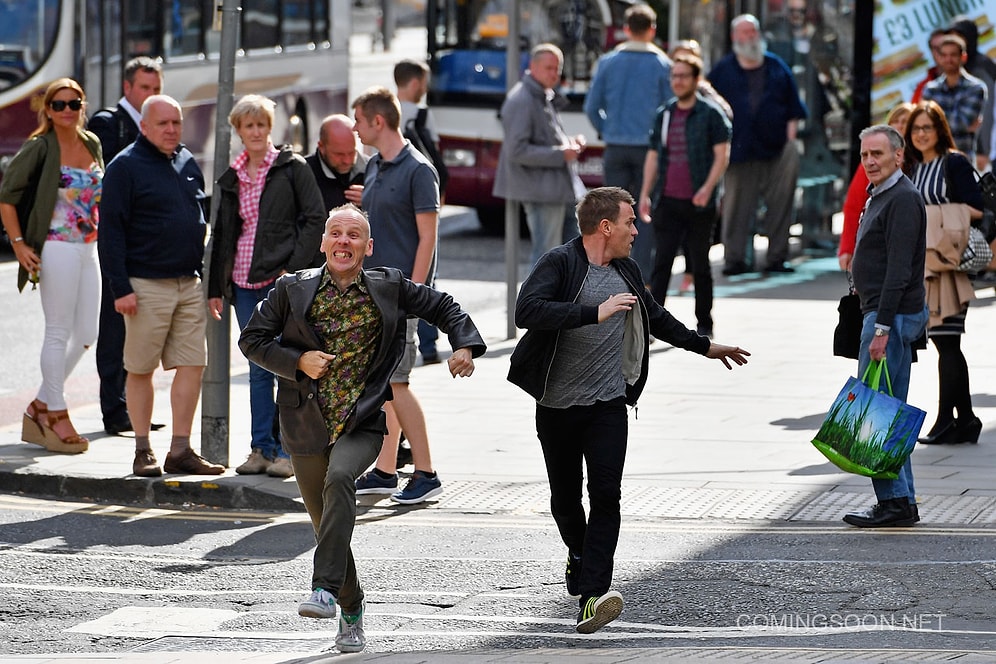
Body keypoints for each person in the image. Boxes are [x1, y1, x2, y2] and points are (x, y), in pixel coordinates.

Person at [238, 204, 486, 653]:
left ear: (367, 247)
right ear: (323, 243)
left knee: (340, 480)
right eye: (336, 233)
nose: (344, 242)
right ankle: (352, 609)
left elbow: (442, 305)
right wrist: (297, 362)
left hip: (363, 421)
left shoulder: (388, 288)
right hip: (305, 423)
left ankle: (323, 590)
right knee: (325, 526)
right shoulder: (291, 290)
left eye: (354, 235)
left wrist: (464, 344)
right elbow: (251, 340)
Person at [508, 186, 750, 633]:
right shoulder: (560, 263)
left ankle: (592, 595)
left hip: (607, 405)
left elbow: (656, 317)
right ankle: (579, 554)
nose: (636, 230)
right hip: (557, 406)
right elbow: (528, 310)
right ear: (605, 227)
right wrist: (592, 313)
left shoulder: (627, 270)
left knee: (606, 495)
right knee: (565, 500)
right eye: (629, 222)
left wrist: (706, 346)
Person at [98, 94, 223, 478]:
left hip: (188, 282)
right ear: (145, 127)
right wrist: (120, 287)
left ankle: (180, 451)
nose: (171, 130)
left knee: (192, 364)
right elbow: (111, 232)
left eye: (177, 123)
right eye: (163, 124)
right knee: (140, 369)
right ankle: (142, 450)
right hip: (144, 284)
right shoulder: (125, 167)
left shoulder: (186, 160)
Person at [207, 94, 327, 479]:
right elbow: (223, 233)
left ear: (270, 128)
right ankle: (261, 448)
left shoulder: (293, 168)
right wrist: (214, 285)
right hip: (242, 281)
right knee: (257, 368)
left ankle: (288, 453)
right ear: (238, 131)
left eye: (261, 124)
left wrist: (292, 271)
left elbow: (314, 219)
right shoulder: (232, 175)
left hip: (281, 284)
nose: (256, 132)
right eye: (248, 126)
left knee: (287, 368)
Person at [349, 87, 444, 504]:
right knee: (385, 385)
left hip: (401, 296)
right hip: (374, 295)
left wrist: (415, 295)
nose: (354, 128)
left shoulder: (419, 170)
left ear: (378, 122)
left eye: (358, 120)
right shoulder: (375, 166)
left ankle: (425, 472)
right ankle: (386, 471)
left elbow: (428, 238)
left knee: (397, 383)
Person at [0, 78, 103, 454]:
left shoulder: (92, 143)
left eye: (73, 104)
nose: (65, 111)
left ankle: (39, 404)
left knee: (88, 332)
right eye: (57, 105)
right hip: (56, 246)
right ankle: (56, 412)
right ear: (47, 110)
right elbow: (7, 198)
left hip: (88, 246)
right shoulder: (38, 148)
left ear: (82, 106)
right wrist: (19, 244)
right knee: (58, 330)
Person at [842, 125, 928, 528]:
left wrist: (882, 329)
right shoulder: (883, 194)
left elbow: (899, 270)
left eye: (877, 153)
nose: (870, 162)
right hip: (879, 314)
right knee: (885, 408)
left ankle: (894, 502)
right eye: (864, 156)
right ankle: (900, 500)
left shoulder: (904, 199)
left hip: (887, 318)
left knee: (878, 414)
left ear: (899, 155)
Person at [87, 57, 164, 436]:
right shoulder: (108, 123)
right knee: (115, 325)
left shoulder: (159, 129)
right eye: (145, 88)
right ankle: (113, 408)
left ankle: (134, 410)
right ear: (128, 88)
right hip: (118, 239)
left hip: (147, 244)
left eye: (156, 88)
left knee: (141, 331)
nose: (151, 94)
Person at [902, 101, 984, 446]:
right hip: (925, 267)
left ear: (940, 130)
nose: (921, 134)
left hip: (949, 266)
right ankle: (965, 418)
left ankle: (945, 421)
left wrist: (931, 214)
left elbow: (977, 208)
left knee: (946, 341)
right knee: (943, 342)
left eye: (927, 128)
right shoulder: (912, 167)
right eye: (916, 129)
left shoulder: (954, 163)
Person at [638, 54, 731, 338]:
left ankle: (704, 323)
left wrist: (707, 188)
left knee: (700, 264)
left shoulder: (710, 113)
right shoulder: (664, 113)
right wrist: (644, 193)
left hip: (699, 202)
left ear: (696, 80)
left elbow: (722, 155)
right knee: (661, 263)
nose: (677, 81)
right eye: (674, 76)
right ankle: (655, 325)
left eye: (683, 76)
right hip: (667, 199)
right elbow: (654, 155)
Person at [708, 14, 807, 276]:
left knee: (781, 208)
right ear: (734, 38)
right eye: (744, 33)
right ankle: (735, 260)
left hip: (777, 150)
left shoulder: (777, 66)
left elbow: (794, 110)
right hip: (738, 152)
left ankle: (777, 258)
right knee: (736, 209)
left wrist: (790, 143)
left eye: (753, 32)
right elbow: (708, 107)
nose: (750, 37)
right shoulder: (722, 70)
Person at [583, 3, 671, 283]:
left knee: (611, 213)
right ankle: (641, 278)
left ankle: (610, 274)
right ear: (652, 30)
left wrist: (606, 129)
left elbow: (591, 106)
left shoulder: (608, 62)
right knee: (643, 214)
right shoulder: (661, 64)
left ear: (625, 29)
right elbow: (670, 108)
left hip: (616, 146)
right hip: (648, 150)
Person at [494, 43, 585, 266]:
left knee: (570, 258)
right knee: (547, 260)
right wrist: (561, 154)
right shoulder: (523, 99)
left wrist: (568, 144)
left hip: (557, 191)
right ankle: (537, 301)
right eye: (549, 68)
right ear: (532, 67)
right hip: (541, 192)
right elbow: (517, 151)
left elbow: (546, 137)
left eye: (558, 68)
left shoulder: (542, 93)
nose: (555, 74)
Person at [394, 58, 442, 365]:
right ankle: (429, 345)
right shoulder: (423, 114)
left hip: (395, 202)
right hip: (423, 199)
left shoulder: (382, 113)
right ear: (415, 83)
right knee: (427, 271)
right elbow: (436, 155)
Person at [838, 102, 914, 271]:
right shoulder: (872, 161)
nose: (900, 125)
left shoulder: (924, 161)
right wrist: (847, 248)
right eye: (896, 120)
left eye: (906, 121)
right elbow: (854, 205)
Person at [921, 32, 988, 163]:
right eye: (944, 55)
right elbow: (924, 125)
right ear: (938, 58)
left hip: (963, 160)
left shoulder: (976, 88)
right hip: (933, 160)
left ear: (963, 57)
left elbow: (962, 122)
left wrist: (936, 124)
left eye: (953, 55)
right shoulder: (930, 89)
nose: (948, 59)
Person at [948, 16, 996, 170]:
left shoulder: (982, 68)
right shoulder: (957, 68)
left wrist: (983, 150)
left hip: (984, 152)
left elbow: (987, 113)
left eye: (960, 36)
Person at [305, 114, 366, 211]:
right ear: (321, 147)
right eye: (339, 154)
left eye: (351, 153)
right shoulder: (302, 173)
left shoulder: (372, 170)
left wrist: (373, 201)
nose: (347, 161)